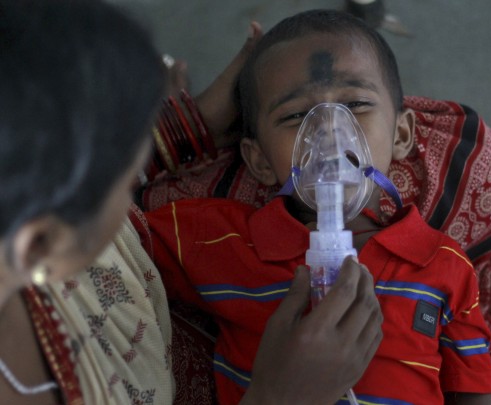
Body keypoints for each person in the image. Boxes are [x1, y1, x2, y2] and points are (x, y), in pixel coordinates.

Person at [0, 1, 383, 404]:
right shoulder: (205, 236)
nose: (330, 138)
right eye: (126, 181)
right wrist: (279, 396)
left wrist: (188, 123)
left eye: (355, 105)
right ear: (42, 246)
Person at [144, 9, 491, 404]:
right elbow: (96, 221)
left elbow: (475, 391)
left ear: (401, 134)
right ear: (259, 160)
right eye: (296, 115)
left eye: (357, 104)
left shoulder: (443, 264)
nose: (330, 131)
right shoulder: (217, 242)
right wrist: (184, 126)